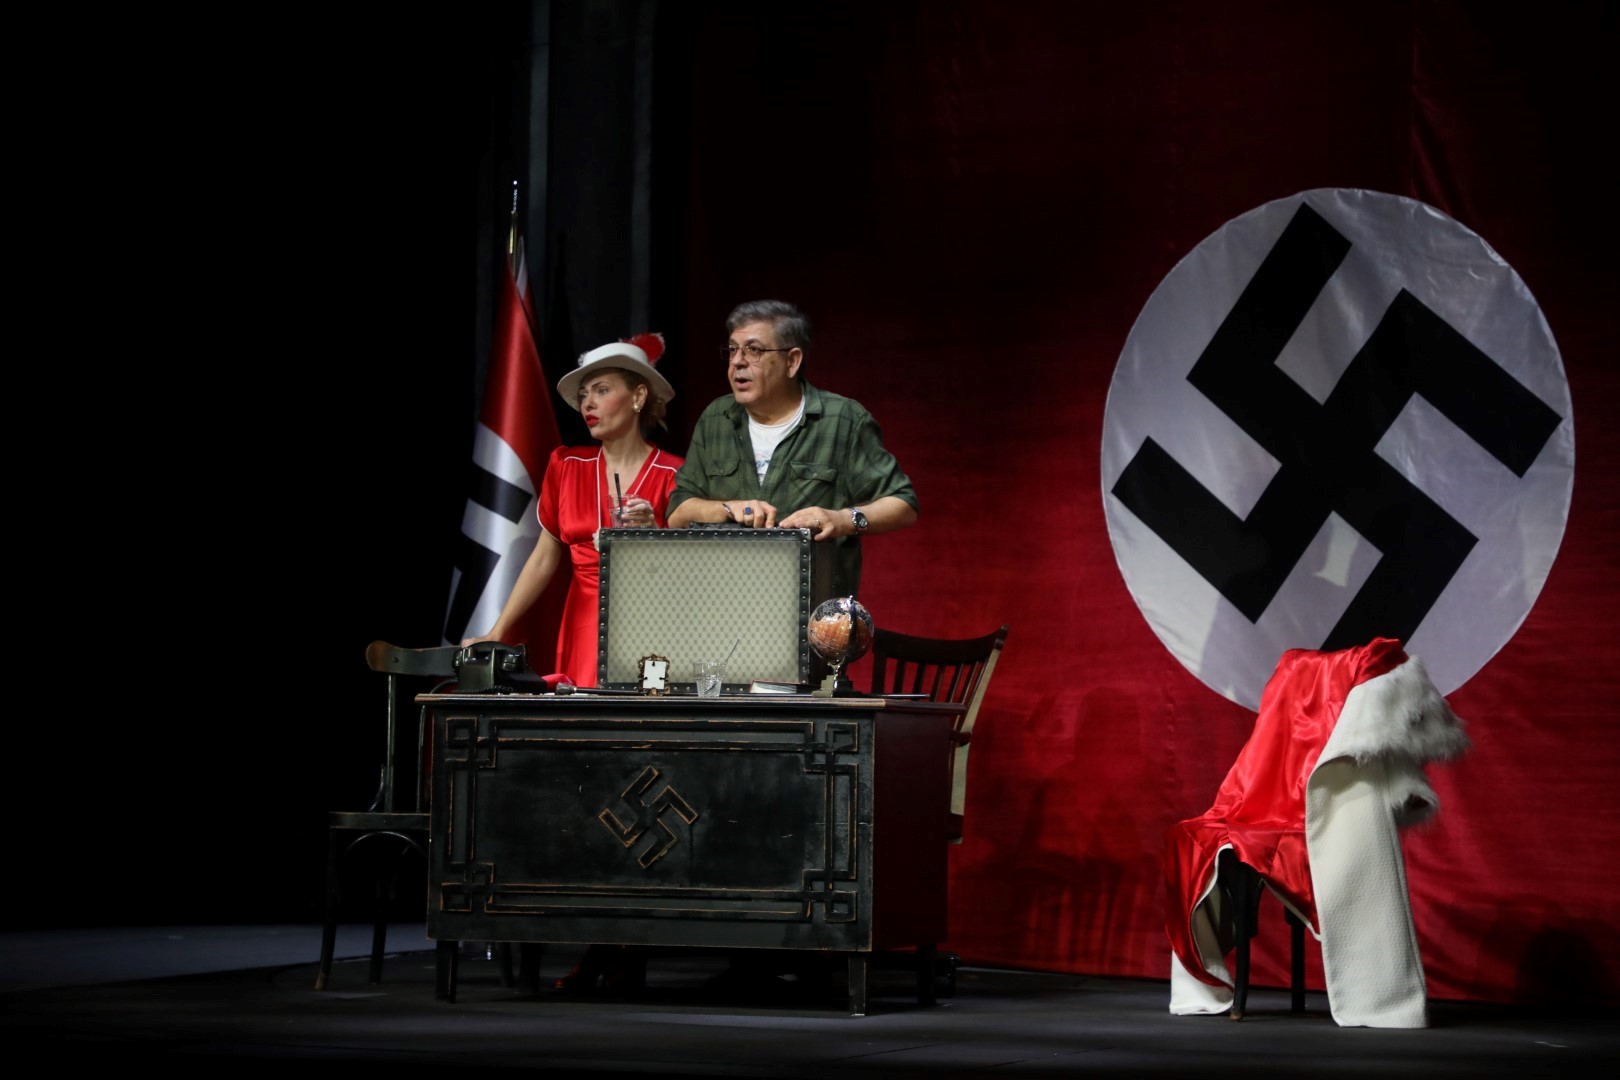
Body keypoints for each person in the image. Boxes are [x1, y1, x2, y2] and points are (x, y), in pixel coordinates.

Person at [462, 333, 682, 688]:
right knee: (582, 717)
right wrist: (497, 631)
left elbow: (692, 572)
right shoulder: (566, 466)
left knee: (646, 710)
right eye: (583, 395)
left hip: (654, 627)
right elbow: (543, 559)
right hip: (584, 627)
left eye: (601, 390)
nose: (588, 404)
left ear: (638, 396)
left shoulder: (674, 475)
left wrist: (655, 531)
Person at [667, 299, 918, 599]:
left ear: (792, 361)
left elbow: (903, 505)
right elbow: (678, 512)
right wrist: (728, 509)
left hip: (812, 613)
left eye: (753, 350)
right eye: (733, 350)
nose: (737, 362)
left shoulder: (843, 419)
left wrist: (841, 520)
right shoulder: (716, 419)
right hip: (724, 608)